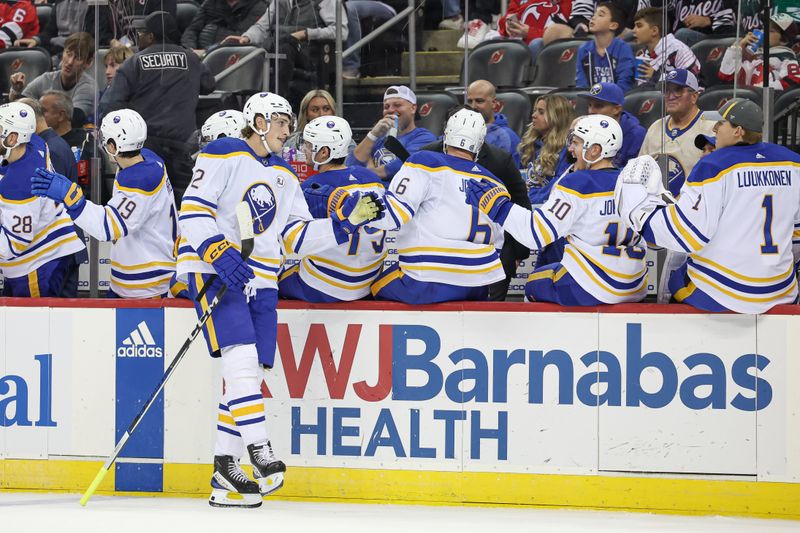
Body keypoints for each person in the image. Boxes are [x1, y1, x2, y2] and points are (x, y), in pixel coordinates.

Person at [175, 92, 381, 508]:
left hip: (263, 279)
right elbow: (193, 209)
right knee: (241, 357)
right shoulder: (224, 152)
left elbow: (294, 237)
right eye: (283, 122)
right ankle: (259, 448)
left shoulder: (285, 175)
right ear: (259, 120)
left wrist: (343, 225)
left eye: (289, 123)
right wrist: (215, 250)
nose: (290, 131)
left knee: (249, 371)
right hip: (217, 270)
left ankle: (223, 469)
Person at [615, 99, 800, 313]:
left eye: (721, 124)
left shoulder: (714, 165)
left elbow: (687, 235)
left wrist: (641, 217)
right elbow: (796, 234)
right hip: (781, 290)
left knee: (676, 276)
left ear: (738, 131)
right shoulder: (793, 162)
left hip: (728, 292)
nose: (715, 128)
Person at [466, 114, 648, 305]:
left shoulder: (577, 183)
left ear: (594, 150)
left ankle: (555, 335)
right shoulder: (633, 183)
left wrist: (497, 206)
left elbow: (536, 234)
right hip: (634, 286)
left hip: (589, 286)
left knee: (533, 283)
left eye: (576, 143)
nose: (570, 149)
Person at [32, 109, 179, 298]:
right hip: (140, 274)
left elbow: (108, 227)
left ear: (112, 146)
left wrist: (72, 198)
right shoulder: (149, 159)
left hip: (146, 284)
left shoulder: (139, 181)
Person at [366, 108, 507, 303]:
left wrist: (356, 211)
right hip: (477, 286)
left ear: (446, 136)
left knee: (370, 286)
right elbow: (498, 243)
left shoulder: (424, 161)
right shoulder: (496, 183)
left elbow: (392, 214)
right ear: (480, 145)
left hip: (425, 282)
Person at [101, 11, 215, 203]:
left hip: (146, 147)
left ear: (151, 36)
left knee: (145, 203)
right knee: (183, 206)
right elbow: (209, 85)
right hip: (183, 145)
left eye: (142, 33)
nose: (139, 37)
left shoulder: (135, 62)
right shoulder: (191, 59)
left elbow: (110, 103)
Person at [420, 108, 532, 302]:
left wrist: (517, 253)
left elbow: (521, 205)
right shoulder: (427, 154)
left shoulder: (500, 160)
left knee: (488, 317)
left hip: (489, 255)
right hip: (439, 251)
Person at [279, 116, 386, 302]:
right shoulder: (372, 179)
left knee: (271, 280)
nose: (304, 149)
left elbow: (293, 240)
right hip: (369, 282)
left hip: (325, 286)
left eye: (309, 146)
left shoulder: (311, 187)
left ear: (324, 153)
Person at [0, 102, 85, 297]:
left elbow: (14, 244)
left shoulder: (19, 184)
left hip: (38, 264)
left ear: (12, 138)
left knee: (34, 325)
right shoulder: (35, 144)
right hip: (56, 249)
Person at [221, 0, 348, 106]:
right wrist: (247, 37)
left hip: (310, 57)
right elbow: (261, 27)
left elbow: (341, 31)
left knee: (286, 46)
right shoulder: (279, 1)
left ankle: (276, 101)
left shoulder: (326, 1)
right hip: (280, 53)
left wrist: (306, 34)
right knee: (241, 48)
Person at [638, 69, 715, 196]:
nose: (670, 96)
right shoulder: (656, 127)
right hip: (657, 207)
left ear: (694, 97)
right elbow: (640, 172)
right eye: (666, 91)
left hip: (696, 206)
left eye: (678, 90)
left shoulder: (712, 125)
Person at [346, 85, 436, 181]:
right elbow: (350, 165)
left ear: (413, 108)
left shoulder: (424, 138)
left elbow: (399, 167)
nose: (391, 110)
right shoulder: (378, 138)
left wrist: (366, 170)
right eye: (386, 107)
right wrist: (373, 135)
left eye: (397, 105)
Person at [10, 32, 96, 121]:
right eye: (68, 54)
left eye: (78, 58)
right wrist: (16, 91)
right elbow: (20, 108)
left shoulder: (89, 87)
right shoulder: (47, 78)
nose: (70, 62)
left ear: (88, 63)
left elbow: (72, 120)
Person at [719, 13, 800, 91]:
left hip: (766, 103)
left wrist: (757, 90)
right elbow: (725, 76)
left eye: (770, 30)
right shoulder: (749, 55)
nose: (763, 32)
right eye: (764, 28)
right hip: (742, 102)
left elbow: (794, 82)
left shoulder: (786, 58)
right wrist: (737, 47)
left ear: (784, 40)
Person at [519, 94, 575, 205]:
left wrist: (529, 200)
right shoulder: (530, 144)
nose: (534, 115)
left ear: (557, 117)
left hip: (546, 207)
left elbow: (559, 185)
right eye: (535, 111)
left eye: (541, 112)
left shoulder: (568, 149)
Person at [579, 82, 645, 168]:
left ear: (617, 109)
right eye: (589, 105)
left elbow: (633, 173)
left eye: (598, 106)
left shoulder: (636, 134)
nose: (591, 111)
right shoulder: (586, 128)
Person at [575, 2, 635, 92]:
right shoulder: (584, 49)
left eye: (600, 15)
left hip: (616, 101)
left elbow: (625, 83)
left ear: (613, 25)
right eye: (594, 14)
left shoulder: (623, 48)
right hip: (591, 101)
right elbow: (581, 84)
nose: (593, 17)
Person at [632, 7, 700, 86]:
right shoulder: (642, 56)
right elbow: (641, 90)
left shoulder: (678, 49)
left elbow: (693, 82)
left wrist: (656, 76)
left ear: (654, 31)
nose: (633, 30)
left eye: (639, 26)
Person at [467, 80, 521, 166]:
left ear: (494, 103)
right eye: (470, 101)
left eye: (479, 101)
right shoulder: (460, 130)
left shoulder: (507, 137)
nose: (473, 106)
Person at [180, 0, 266, 51]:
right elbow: (192, 29)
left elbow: (239, 38)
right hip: (199, 55)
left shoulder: (257, 6)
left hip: (233, 57)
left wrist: (207, 52)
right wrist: (190, 49)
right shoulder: (211, 2)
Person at [17, 0, 84, 53]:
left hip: (79, 50)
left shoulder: (92, 5)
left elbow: (88, 40)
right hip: (57, 47)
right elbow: (50, 31)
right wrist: (36, 40)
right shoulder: (60, 2)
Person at [670, 0, 736, 48]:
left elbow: (729, 31)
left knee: (683, 34)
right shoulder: (678, 2)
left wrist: (708, 21)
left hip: (714, 40)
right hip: (680, 43)